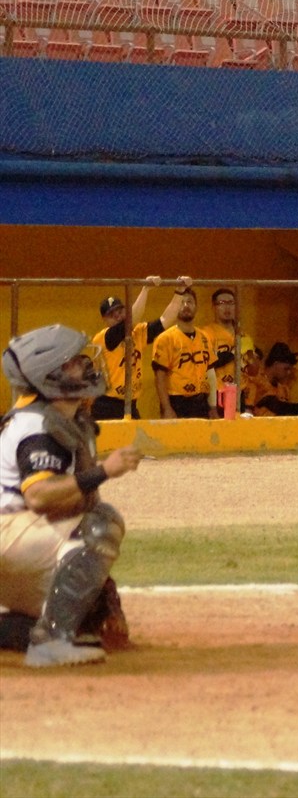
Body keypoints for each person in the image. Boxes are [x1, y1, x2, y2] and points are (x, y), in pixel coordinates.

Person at [0, 325, 143, 667]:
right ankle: (50, 642)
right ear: (49, 374)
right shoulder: (37, 426)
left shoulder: (64, 419)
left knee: (86, 614)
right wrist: (104, 471)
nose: (85, 365)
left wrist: (102, 586)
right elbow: (39, 497)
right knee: (100, 525)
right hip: (9, 535)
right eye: (73, 362)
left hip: (18, 542)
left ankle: (17, 625)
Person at [90, 275, 191, 420]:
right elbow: (130, 321)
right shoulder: (104, 338)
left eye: (120, 311)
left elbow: (165, 319)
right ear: (105, 320)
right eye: (111, 315)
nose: (117, 316)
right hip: (107, 405)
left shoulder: (137, 333)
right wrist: (146, 289)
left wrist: (179, 292)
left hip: (130, 404)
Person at [151, 287, 216, 419]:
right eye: (181, 302)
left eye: (190, 302)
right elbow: (160, 378)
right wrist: (167, 408)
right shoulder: (165, 338)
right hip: (177, 402)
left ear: (196, 307)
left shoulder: (205, 337)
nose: (186, 305)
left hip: (201, 402)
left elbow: (211, 374)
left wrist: (213, 407)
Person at [201, 288, 255, 418]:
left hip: (239, 394)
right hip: (216, 394)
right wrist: (232, 353)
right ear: (214, 307)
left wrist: (251, 358)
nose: (227, 307)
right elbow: (205, 364)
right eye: (222, 303)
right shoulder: (206, 333)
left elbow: (253, 371)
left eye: (231, 303)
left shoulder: (244, 337)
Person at [242, 342, 298, 417]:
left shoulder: (283, 389)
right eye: (286, 369)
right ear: (276, 363)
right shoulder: (256, 382)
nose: (288, 373)